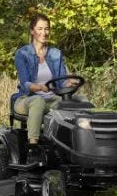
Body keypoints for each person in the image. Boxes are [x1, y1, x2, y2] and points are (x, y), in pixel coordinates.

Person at [12, 13, 75, 165]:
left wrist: (69, 83)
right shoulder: (22, 54)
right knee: (38, 101)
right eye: (40, 29)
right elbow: (25, 82)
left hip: (51, 100)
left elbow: (60, 82)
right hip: (26, 99)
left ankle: (76, 146)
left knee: (79, 102)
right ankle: (33, 149)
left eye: (46, 29)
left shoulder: (55, 54)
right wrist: (37, 86)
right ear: (32, 31)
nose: (44, 32)